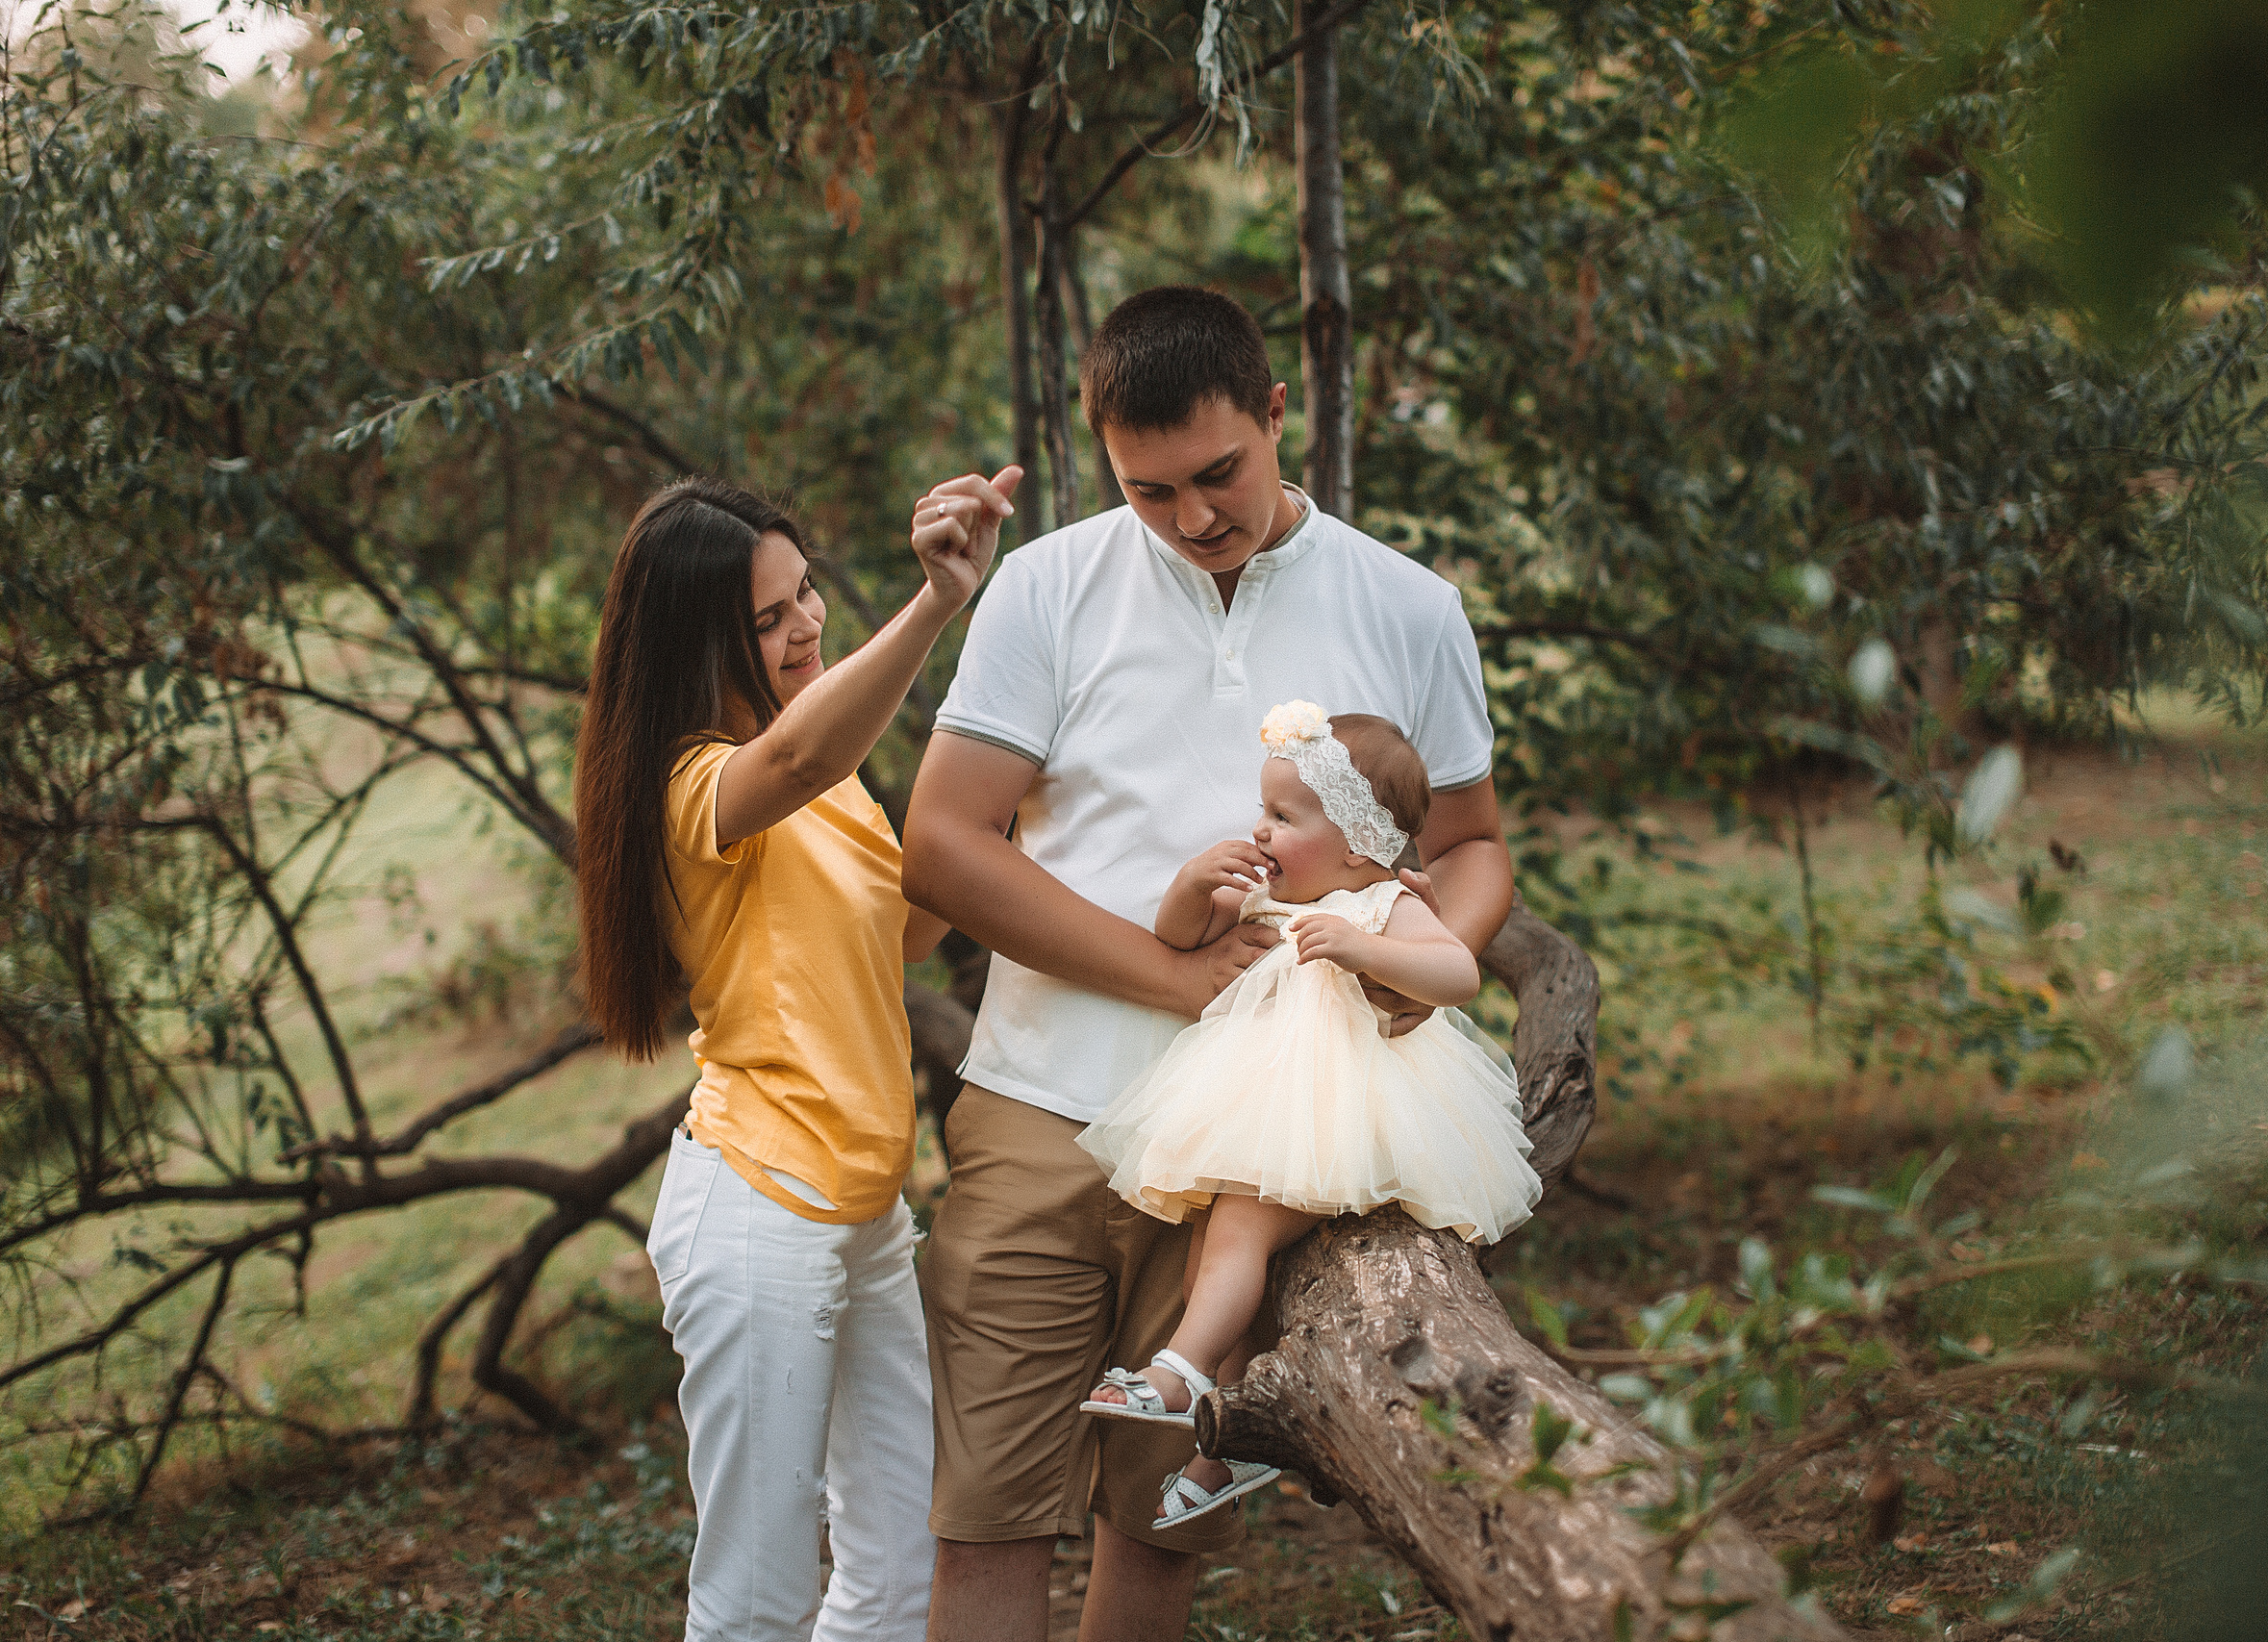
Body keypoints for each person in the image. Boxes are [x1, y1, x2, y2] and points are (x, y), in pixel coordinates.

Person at [901, 286, 1516, 1642]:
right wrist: (1170, 974)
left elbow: (1470, 846)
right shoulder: (1048, 585)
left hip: (1262, 1147)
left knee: (1163, 1532)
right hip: (1042, 1113)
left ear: (1278, 408)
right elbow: (942, 845)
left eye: (1220, 473)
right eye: (1148, 487)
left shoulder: (1408, 606)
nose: (1191, 516)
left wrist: (1411, 961)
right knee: (987, 1524)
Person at [573, 468, 1019, 1642]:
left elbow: (905, 931)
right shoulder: (694, 785)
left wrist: (1009, 774)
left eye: (806, 593)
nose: (806, 624)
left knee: (892, 1565)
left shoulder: (822, 777)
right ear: (694, 642)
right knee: (757, 1602)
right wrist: (935, 606)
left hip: (863, 1210)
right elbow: (796, 766)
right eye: (767, 620)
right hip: (763, 1208)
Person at [1075, 702, 1542, 1526]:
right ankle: (1228, 1452)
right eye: (1262, 809)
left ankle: (1180, 1371)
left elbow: (1456, 973)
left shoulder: (1382, 905)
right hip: (1269, 1112)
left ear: (1357, 842)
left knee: (1238, 1238)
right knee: (1212, 1272)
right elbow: (1178, 934)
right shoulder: (1265, 898)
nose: (1259, 830)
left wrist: (1366, 948)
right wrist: (1191, 886)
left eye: (1282, 816)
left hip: (1341, 1120)